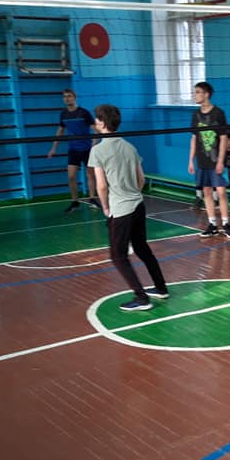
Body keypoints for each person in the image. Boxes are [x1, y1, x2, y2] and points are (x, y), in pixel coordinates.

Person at [88, 104, 170, 312]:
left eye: (97, 119)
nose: (95, 122)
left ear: (102, 123)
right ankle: (161, 288)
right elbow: (141, 178)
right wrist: (133, 194)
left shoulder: (97, 150)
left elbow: (101, 186)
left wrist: (106, 207)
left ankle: (141, 298)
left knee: (118, 256)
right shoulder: (129, 147)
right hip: (138, 205)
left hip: (121, 210)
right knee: (142, 248)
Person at [188, 81, 230, 239]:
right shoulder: (196, 115)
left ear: (206, 94)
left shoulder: (218, 113)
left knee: (221, 192)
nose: (195, 95)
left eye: (198, 92)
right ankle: (212, 224)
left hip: (216, 159)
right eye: (195, 92)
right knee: (207, 192)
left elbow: (223, 138)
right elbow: (194, 138)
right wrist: (191, 160)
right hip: (202, 160)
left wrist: (221, 161)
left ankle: (226, 224)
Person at [47, 89, 97, 213]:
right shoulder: (63, 114)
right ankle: (75, 202)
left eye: (69, 96)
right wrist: (53, 148)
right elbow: (60, 131)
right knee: (71, 176)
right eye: (65, 96)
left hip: (87, 149)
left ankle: (92, 199)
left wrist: (94, 144)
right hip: (73, 150)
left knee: (90, 175)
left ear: (74, 97)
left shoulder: (84, 112)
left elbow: (95, 129)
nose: (67, 98)